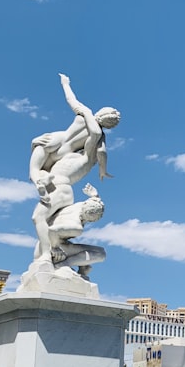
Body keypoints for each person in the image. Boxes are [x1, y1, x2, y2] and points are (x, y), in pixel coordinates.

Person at [29, 73, 120, 264]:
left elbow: (72, 100)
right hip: (57, 177)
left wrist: (65, 84)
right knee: (40, 217)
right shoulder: (94, 143)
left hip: (58, 168)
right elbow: (102, 152)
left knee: (39, 217)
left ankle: (47, 254)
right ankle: (48, 253)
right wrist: (103, 170)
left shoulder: (87, 118)